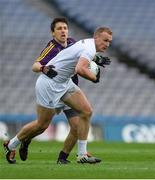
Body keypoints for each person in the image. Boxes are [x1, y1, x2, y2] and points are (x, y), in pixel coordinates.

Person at [4, 26, 112, 164]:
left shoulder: (87, 44)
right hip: (49, 84)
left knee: (86, 111)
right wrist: (94, 78)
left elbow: (77, 57)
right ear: (96, 37)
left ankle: (82, 154)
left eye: (109, 41)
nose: (107, 44)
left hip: (64, 82)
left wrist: (96, 59)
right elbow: (80, 69)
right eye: (105, 40)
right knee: (42, 125)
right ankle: (11, 145)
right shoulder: (89, 48)